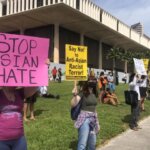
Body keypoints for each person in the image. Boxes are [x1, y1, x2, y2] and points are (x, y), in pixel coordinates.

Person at [71, 81, 100, 150]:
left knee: (92, 144)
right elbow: (73, 104)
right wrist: (75, 95)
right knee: (82, 144)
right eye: (90, 80)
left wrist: (97, 123)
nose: (93, 82)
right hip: (84, 119)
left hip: (93, 119)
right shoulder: (82, 93)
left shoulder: (93, 93)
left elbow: (94, 109)